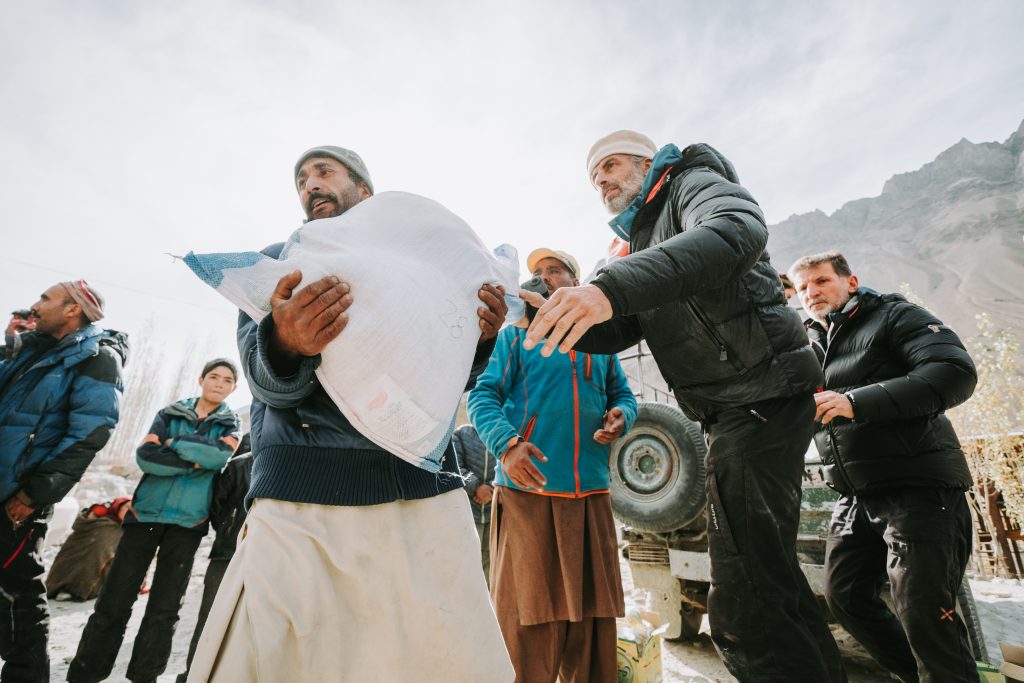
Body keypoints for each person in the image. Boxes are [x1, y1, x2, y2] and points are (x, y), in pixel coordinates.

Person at [521, 131, 844, 682]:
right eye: (594, 176)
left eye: (613, 165)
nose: (602, 180)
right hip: (733, 408)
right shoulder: (640, 240)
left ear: (650, 164)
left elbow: (735, 231)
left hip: (760, 393)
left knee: (744, 603)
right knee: (769, 576)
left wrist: (612, 286)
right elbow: (622, 325)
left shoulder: (691, 183)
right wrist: (548, 318)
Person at [187, 145, 514, 682]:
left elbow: (446, 381)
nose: (310, 184)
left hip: (422, 496)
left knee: (436, 662)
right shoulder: (281, 263)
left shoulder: (426, 265)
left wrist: (479, 339)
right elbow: (265, 381)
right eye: (301, 179)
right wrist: (285, 342)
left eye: (324, 172)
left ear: (364, 191)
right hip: (302, 502)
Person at [789, 251, 979, 683]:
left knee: (926, 616)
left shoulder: (894, 315)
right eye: (803, 288)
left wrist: (855, 402)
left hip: (918, 487)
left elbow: (954, 371)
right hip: (854, 494)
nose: (811, 293)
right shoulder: (811, 344)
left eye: (821, 281)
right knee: (846, 597)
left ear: (851, 282)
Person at [470, 247, 638, 682]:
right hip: (528, 493)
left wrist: (621, 416)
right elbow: (481, 397)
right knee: (528, 621)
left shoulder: (601, 341)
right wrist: (508, 444)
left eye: (555, 269)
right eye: (537, 273)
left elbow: (623, 395)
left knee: (592, 624)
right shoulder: (515, 334)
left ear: (577, 282)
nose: (544, 278)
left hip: (591, 495)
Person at [68, 358, 240, 683]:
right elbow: (147, 457)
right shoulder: (170, 414)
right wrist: (195, 463)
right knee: (114, 601)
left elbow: (219, 456)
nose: (219, 383)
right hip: (143, 515)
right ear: (201, 379)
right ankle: (84, 675)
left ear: (233, 388)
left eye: (227, 380)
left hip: (188, 523)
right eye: (213, 376)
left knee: (165, 608)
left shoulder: (231, 424)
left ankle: (144, 676)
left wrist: (173, 445)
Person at [0, 280, 126, 682]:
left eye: (46, 299)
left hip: (19, 498)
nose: (35, 305)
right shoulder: (33, 351)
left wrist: (35, 494)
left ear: (73, 310)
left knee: (19, 596)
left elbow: (91, 433)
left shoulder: (97, 358)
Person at [177, 433, 253, 683]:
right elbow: (217, 508)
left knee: (212, 620)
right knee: (215, 620)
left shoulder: (240, 463)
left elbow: (219, 509)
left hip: (231, 551)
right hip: (230, 554)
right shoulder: (240, 464)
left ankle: (197, 675)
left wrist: (229, 530)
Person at [46, 496, 132, 601]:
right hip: (75, 552)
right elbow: (81, 524)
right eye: (127, 507)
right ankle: (59, 586)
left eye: (133, 510)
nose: (129, 512)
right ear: (118, 506)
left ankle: (76, 589)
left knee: (96, 559)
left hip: (98, 572)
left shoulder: (124, 530)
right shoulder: (99, 515)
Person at [451, 424, 496, 585]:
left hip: (495, 512)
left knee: (492, 562)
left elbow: (506, 465)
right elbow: (454, 466)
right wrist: (476, 487)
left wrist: (491, 489)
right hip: (468, 511)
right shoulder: (460, 434)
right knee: (467, 559)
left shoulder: (502, 433)